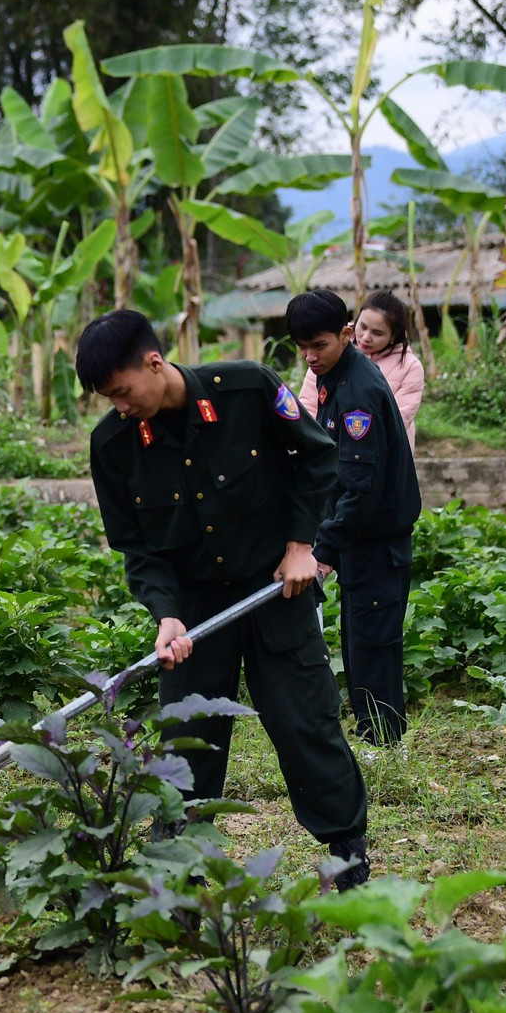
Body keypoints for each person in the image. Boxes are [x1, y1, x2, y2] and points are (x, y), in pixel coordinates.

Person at [78, 309, 370, 888]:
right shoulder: (113, 445)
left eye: (122, 391)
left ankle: (347, 854)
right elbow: (139, 549)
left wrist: (300, 544)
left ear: (154, 363)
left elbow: (316, 456)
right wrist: (166, 614)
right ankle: (178, 873)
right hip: (194, 610)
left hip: (273, 590)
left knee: (306, 723)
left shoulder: (245, 389)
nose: (120, 406)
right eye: (108, 399)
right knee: (188, 740)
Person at [287, 289, 423, 745]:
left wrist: (323, 550)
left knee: (374, 646)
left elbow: (361, 487)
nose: (309, 356)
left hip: (376, 539)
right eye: (302, 346)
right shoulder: (334, 376)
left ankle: (384, 743)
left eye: (319, 344)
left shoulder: (358, 390)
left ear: (346, 334)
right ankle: (373, 734)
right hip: (356, 537)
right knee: (358, 643)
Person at [305, 290, 424, 453]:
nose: (366, 337)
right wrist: (317, 441)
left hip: (383, 455)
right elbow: (309, 404)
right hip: (326, 450)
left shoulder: (410, 366)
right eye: (363, 326)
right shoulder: (332, 348)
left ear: (393, 336)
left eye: (377, 333)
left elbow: (399, 420)